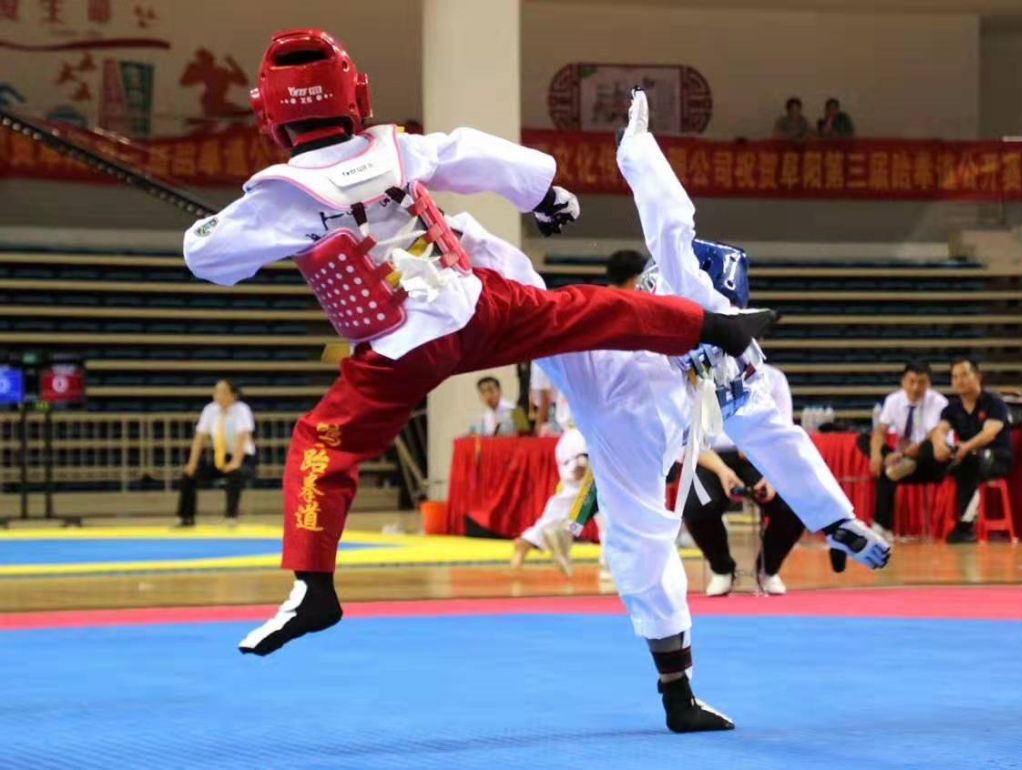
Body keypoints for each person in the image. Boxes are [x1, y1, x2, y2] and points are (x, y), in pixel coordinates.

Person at [183, 29, 775, 658]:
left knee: (322, 445)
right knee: (584, 310)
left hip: (402, 346)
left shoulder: (278, 195)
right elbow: (473, 152)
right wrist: (544, 195)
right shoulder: (396, 148)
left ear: (270, 113)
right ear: (355, 95)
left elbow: (207, 256)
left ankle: (314, 584)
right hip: (477, 309)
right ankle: (714, 326)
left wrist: (231, 226)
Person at [537, 89, 890, 734]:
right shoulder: (685, 282)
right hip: (607, 359)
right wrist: (637, 150)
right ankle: (442, 278)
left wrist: (836, 519)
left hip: (639, 401)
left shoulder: (728, 333)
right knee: (511, 296)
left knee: (643, 538)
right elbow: (669, 221)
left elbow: (770, 432)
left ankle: (678, 690)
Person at [683, 363, 804, 596]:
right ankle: (722, 569)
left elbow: (784, 433)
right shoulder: (696, 378)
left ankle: (768, 569)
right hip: (712, 457)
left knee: (794, 506)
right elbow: (687, 440)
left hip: (762, 456)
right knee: (696, 508)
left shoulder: (774, 378)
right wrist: (721, 470)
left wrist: (772, 473)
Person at [857, 360, 949, 540]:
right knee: (864, 440)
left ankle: (881, 524)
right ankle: (883, 528)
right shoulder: (893, 400)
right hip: (902, 462)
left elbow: (932, 435)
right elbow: (880, 431)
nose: (915, 388)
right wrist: (877, 455)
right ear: (903, 382)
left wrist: (901, 455)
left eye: (921, 383)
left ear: (929, 384)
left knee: (927, 448)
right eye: (911, 381)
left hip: (929, 463)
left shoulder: (939, 402)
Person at [928, 359, 1013, 544]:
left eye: (964, 375)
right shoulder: (951, 409)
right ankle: (936, 524)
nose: (959, 381)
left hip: (996, 458)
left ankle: (966, 526)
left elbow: (989, 433)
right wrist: (938, 444)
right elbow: (940, 429)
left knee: (970, 463)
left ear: (978, 377)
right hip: (968, 457)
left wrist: (966, 447)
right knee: (936, 456)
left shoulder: (994, 403)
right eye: (955, 377)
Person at [510, 427, 592, 575]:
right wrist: (581, 460)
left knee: (576, 505)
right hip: (579, 442)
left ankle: (534, 540)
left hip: (575, 443)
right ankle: (558, 537)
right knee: (588, 504)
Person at [176, 380, 257, 526]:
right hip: (220, 457)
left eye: (223, 391)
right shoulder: (210, 410)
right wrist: (192, 464)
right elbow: (199, 438)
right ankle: (185, 517)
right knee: (189, 475)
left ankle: (231, 516)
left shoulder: (242, 410)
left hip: (243, 457)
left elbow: (243, 437)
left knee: (235, 473)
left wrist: (235, 462)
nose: (218, 395)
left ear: (233, 395)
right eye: (216, 391)